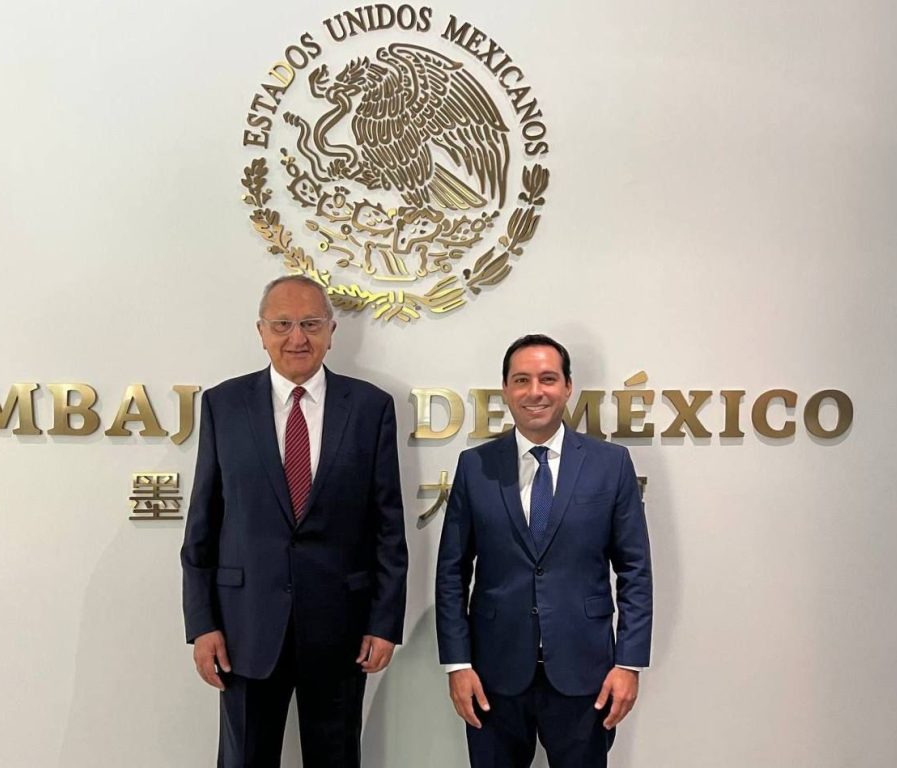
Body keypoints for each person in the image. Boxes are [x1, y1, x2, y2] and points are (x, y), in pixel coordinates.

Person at [181, 275, 408, 768]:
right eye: (282, 324)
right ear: (261, 332)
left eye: (310, 324)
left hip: (341, 629)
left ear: (331, 331)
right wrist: (202, 624)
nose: (297, 338)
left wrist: (384, 622)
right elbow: (203, 524)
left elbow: (388, 526)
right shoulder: (224, 405)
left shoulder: (370, 408)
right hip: (244, 628)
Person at [435, 334, 652, 767]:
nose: (535, 392)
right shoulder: (474, 466)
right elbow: (451, 573)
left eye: (548, 379)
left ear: (568, 386)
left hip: (585, 674)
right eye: (522, 380)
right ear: (506, 389)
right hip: (493, 675)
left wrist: (629, 664)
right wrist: (457, 664)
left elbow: (635, 571)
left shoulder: (611, 464)